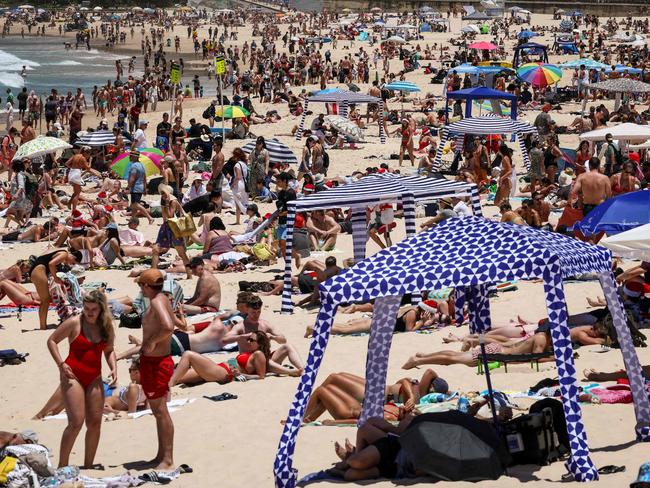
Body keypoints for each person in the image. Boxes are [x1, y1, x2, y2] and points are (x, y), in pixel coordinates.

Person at [46, 290, 116, 468]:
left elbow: (108, 350)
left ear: (101, 309)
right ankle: (63, 465)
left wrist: (114, 367)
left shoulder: (106, 326)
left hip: (95, 377)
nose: (89, 312)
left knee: (95, 423)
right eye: (86, 308)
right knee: (76, 422)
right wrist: (60, 364)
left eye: (93, 309)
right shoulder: (75, 322)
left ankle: (88, 465)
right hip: (72, 375)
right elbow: (52, 340)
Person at [303, 370, 449, 424]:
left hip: (377, 395)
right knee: (336, 376)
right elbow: (404, 381)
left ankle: (305, 414)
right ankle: (310, 416)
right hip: (379, 387)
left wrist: (410, 396)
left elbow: (429, 372)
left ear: (431, 389)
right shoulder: (415, 392)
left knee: (332, 379)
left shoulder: (419, 395)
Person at [137, 269, 176, 470]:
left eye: (140, 285)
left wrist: (151, 342)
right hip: (155, 361)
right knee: (158, 411)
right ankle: (161, 455)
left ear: (145, 285)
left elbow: (169, 326)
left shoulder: (156, 301)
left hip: (157, 363)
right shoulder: (163, 299)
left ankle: (167, 458)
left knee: (161, 412)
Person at [169, 330, 299, 387]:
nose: (248, 341)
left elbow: (261, 376)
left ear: (259, 344)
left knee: (188, 354)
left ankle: (170, 385)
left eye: (251, 340)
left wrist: (241, 375)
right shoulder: (253, 352)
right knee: (179, 376)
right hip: (219, 367)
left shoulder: (258, 355)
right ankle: (167, 383)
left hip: (224, 373)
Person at [223, 295, 304, 373]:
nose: (256, 315)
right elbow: (224, 339)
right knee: (261, 356)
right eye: (253, 312)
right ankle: (290, 372)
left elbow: (283, 340)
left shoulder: (265, 324)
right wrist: (244, 336)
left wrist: (272, 337)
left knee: (288, 347)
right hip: (248, 362)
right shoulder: (240, 326)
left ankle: (303, 369)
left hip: (266, 360)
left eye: (258, 312)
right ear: (247, 310)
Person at [402, 331, 552, 369]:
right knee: (453, 359)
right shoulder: (542, 339)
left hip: (496, 350)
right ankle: (419, 360)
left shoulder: (540, 336)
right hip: (495, 354)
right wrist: (553, 358)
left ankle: (424, 356)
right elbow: (536, 359)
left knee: (455, 356)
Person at [30, 250, 83, 330]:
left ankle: (43, 325)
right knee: (46, 300)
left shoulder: (59, 251)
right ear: (73, 257)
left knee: (45, 300)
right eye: (73, 262)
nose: (70, 264)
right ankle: (43, 326)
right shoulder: (64, 254)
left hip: (37, 270)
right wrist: (56, 278)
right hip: (39, 271)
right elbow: (51, 264)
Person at [126, 149, 153, 224]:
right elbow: (144, 178)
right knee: (134, 206)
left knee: (135, 205)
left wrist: (128, 187)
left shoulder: (134, 166)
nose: (130, 157)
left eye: (131, 156)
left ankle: (149, 218)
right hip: (140, 188)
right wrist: (144, 188)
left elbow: (132, 178)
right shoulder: (141, 165)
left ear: (134, 157)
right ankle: (133, 219)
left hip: (135, 188)